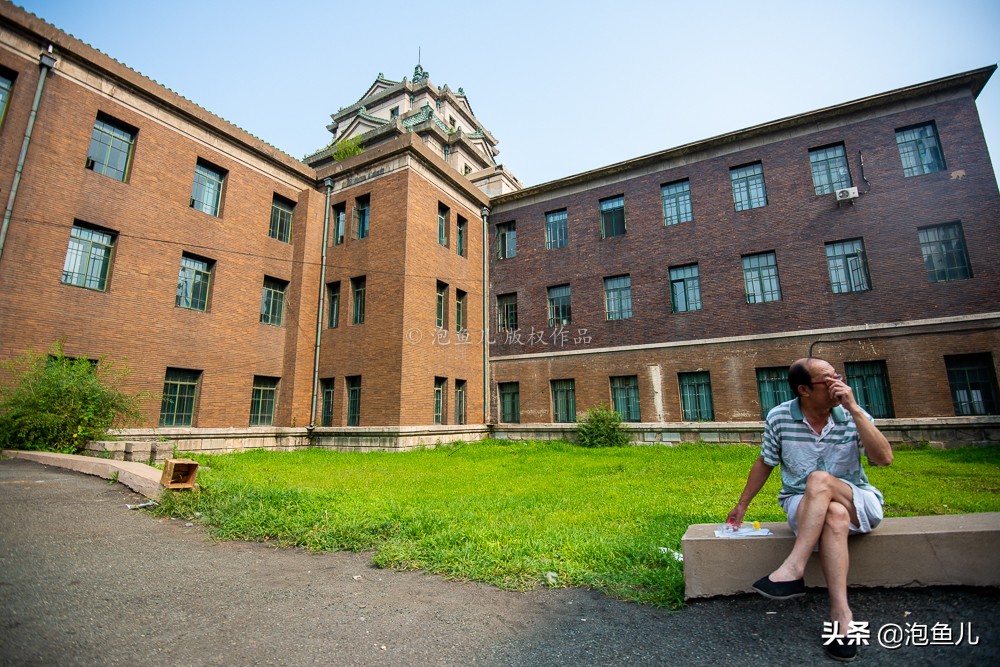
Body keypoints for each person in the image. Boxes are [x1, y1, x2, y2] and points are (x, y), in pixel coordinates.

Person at [727, 357, 894, 662]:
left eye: (837, 376)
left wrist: (855, 410)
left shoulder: (851, 412)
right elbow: (765, 462)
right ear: (804, 390)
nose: (838, 384)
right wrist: (742, 504)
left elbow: (884, 459)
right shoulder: (780, 417)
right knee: (834, 515)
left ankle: (794, 567)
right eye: (828, 380)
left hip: (855, 497)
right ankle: (841, 615)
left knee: (820, 481)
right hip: (803, 504)